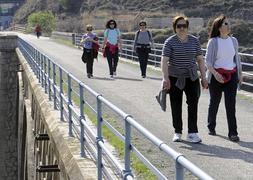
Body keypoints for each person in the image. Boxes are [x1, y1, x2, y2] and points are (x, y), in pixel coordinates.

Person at [161, 15, 208, 143]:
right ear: (175, 28)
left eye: (184, 26)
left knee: (193, 104)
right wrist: (165, 78)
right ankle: (177, 131)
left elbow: (200, 59)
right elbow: (164, 61)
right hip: (175, 77)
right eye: (179, 26)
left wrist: (204, 77)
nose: (182, 28)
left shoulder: (194, 41)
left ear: (187, 27)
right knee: (176, 105)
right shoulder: (170, 42)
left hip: (192, 77)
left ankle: (192, 133)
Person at [205, 15, 242, 142]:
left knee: (231, 105)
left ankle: (233, 133)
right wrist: (215, 74)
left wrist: (240, 75)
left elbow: (236, 59)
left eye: (228, 23)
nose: (228, 25)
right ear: (219, 27)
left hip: (231, 75)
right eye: (225, 24)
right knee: (214, 102)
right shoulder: (213, 42)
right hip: (216, 76)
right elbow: (208, 62)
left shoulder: (234, 41)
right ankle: (211, 126)